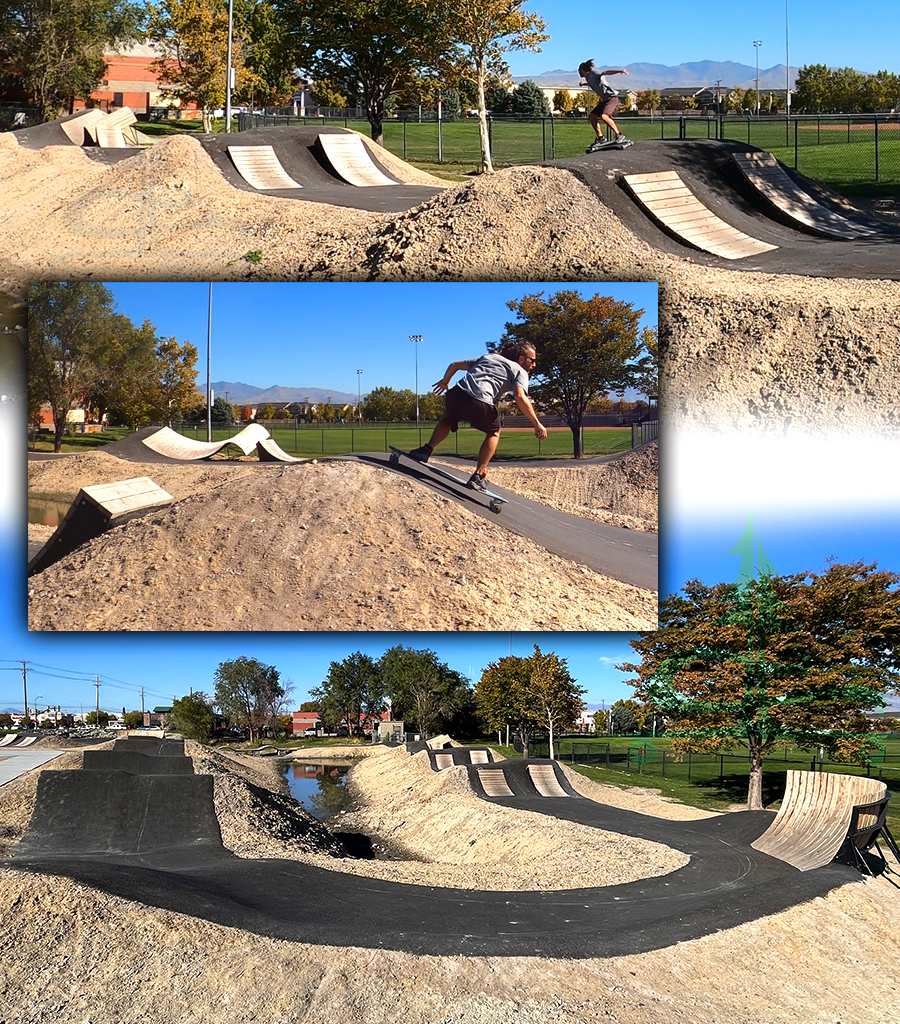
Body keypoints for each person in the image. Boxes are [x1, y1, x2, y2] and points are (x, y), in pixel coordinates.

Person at [409, 341, 548, 491]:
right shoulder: (520, 371)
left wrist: (444, 382)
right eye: (532, 360)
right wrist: (536, 423)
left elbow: (454, 365)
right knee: (494, 431)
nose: (534, 365)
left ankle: (425, 450)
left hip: (456, 394)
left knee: (448, 420)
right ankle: (478, 475)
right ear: (521, 359)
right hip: (480, 402)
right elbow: (520, 397)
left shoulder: (489, 357)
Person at [579, 60, 630, 152]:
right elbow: (592, 83)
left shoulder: (594, 72)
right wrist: (584, 84)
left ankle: (619, 135)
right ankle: (600, 137)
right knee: (592, 116)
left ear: (584, 70)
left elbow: (606, 72)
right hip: (605, 100)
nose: (580, 74)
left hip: (612, 98)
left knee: (604, 116)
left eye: (581, 71)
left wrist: (620, 71)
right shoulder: (588, 78)